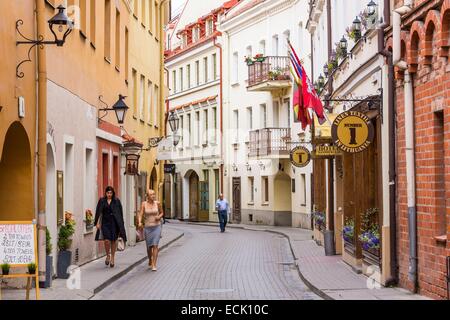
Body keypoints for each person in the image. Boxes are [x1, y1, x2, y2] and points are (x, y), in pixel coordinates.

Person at [94, 186, 127, 268]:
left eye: (111, 193)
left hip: (114, 223)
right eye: (108, 193)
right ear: (105, 193)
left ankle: (112, 257)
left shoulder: (116, 201)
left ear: (113, 193)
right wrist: (97, 223)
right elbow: (98, 212)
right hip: (105, 223)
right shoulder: (102, 201)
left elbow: (120, 214)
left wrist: (121, 225)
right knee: (107, 240)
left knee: (113, 240)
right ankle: (107, 255)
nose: (109, 194)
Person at [138, 189, 164, 271]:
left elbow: (162, 212)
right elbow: (140, 214)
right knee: (149, 247)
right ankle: (150, 259)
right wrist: (139, 222)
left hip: (157, 226)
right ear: (147, 196)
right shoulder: (144, 204)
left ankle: (154, 264)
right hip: (147, 227)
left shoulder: (158, 203)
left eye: (154, 194)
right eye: (151, 194)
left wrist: (159, 217)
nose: (153, 196)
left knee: (155, 245)